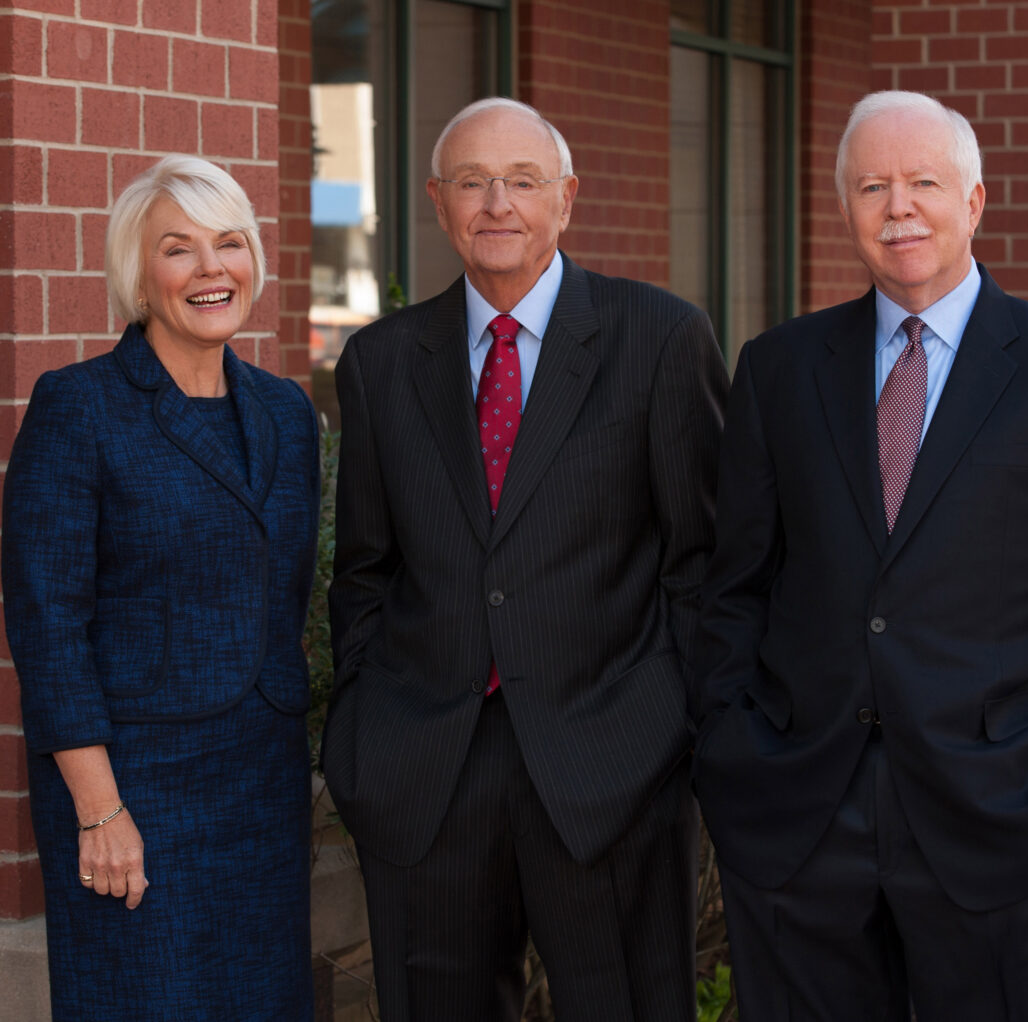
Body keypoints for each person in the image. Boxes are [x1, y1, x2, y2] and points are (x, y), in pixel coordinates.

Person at [692, 90, 1028, 1022]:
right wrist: (732, 746)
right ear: (846, 208)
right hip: (799, 816)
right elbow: (735, 584)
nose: (897, 207)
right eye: (872, 186)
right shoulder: (778, 369)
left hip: (1002, 819)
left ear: (974, 202)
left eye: (923, 184)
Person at [321, 96, 727, 1021]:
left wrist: (666, 728)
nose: (497, 203)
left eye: (522, 181)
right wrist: (365, 727)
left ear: (566, 198)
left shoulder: (661, 339)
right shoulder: (381, 362)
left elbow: (706, 564)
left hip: (611, 763)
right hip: (427, 770)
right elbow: (365, 570)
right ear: (438, 202)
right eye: (473, 182)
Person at [1, 155, 320, 1021]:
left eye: (230, 243)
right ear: (139, 278)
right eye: (179, 249)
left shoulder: (287, 412)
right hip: (136, 789)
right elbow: (48, 624)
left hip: (263, 778)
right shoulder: (79, 407)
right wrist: (100, 811)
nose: (213, 268)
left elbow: (286, 596)